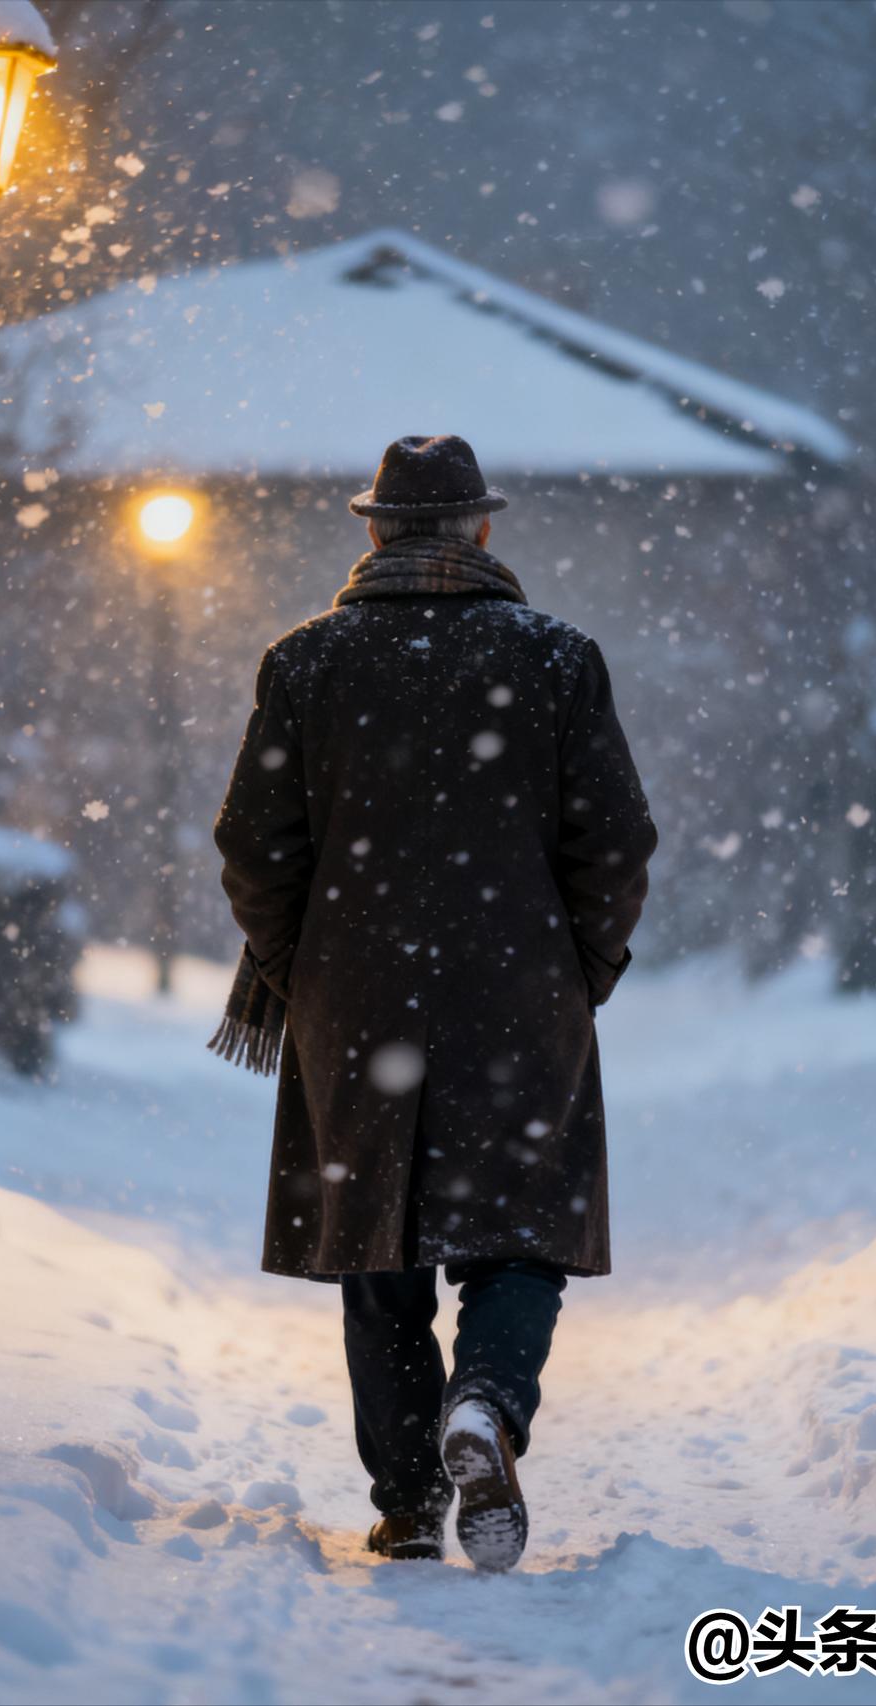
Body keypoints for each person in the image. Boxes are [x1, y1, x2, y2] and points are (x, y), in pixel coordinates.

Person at [212, 434, 658, 1572]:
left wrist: (293, 973)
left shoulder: (304, 663)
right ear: (483, 531)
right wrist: (579, 971)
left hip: (351, 1000)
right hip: (519, 996)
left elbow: (254, 847)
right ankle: (487, 1405)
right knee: (517, 1236)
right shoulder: (555, 660)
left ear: (369, 533)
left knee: (380, 1252)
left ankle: (408, 1500)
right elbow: (612, 841)